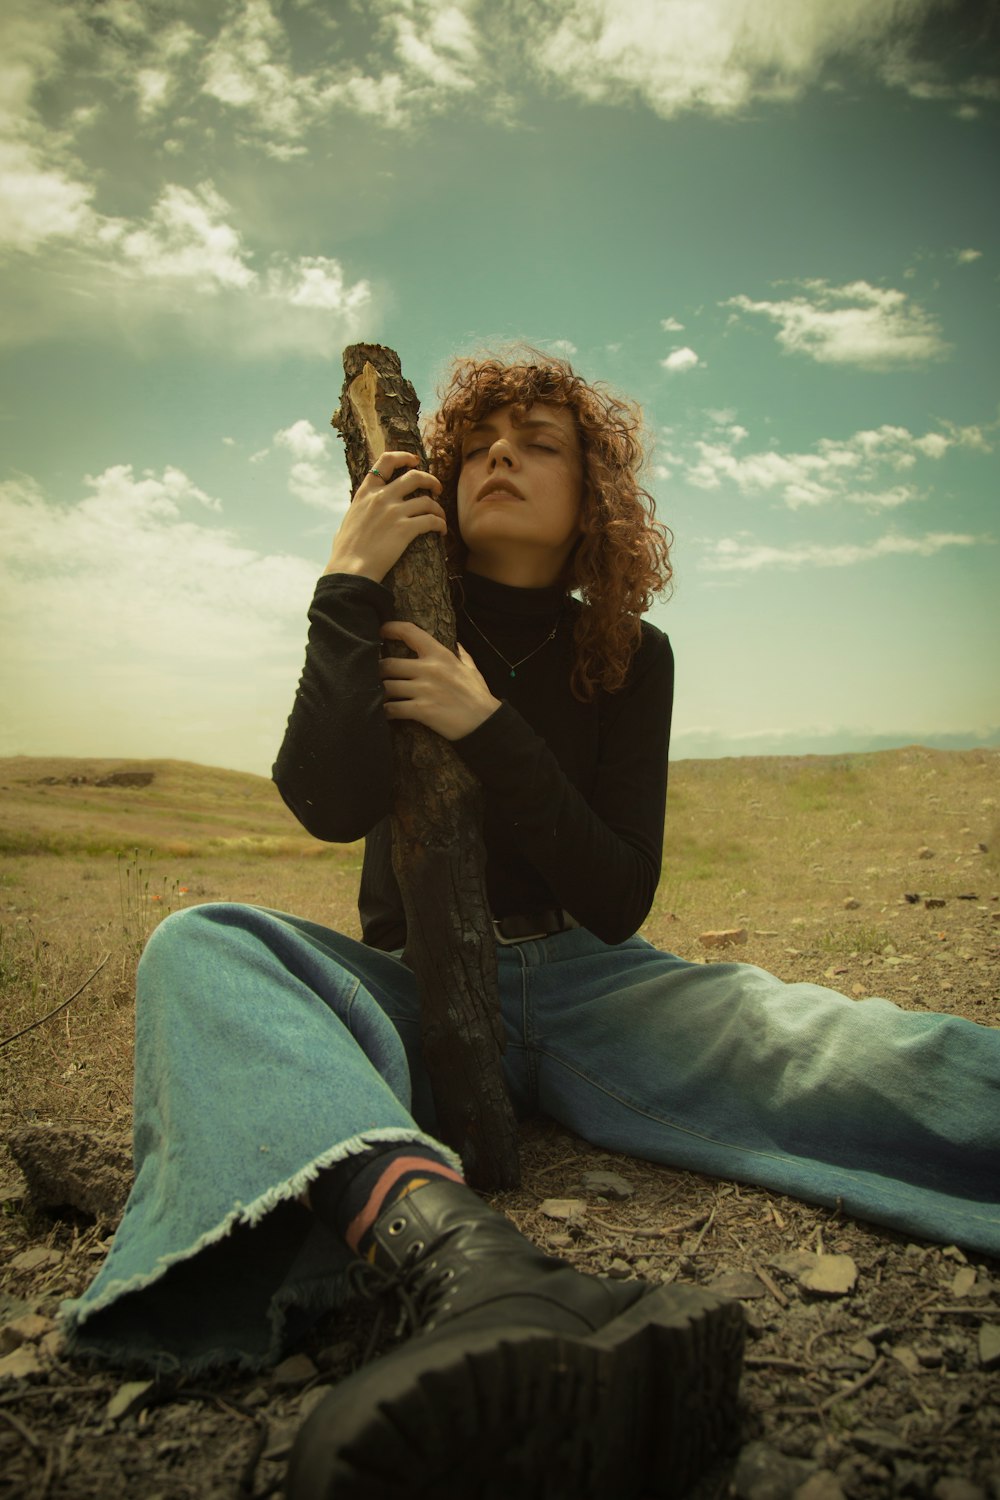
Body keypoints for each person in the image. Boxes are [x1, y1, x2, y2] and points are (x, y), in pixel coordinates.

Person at [63, 351, 999, 1499]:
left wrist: (487, 723)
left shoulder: (631, 657)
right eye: (481, 440)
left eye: (539, 439)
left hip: (593, 981)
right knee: (200, 944)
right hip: (409, 991)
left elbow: (616, 894)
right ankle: (465, 1268)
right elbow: (327, 802)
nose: (500, 453)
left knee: (851, 1044)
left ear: (590, 500)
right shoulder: (401, 610)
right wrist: (345, 586)